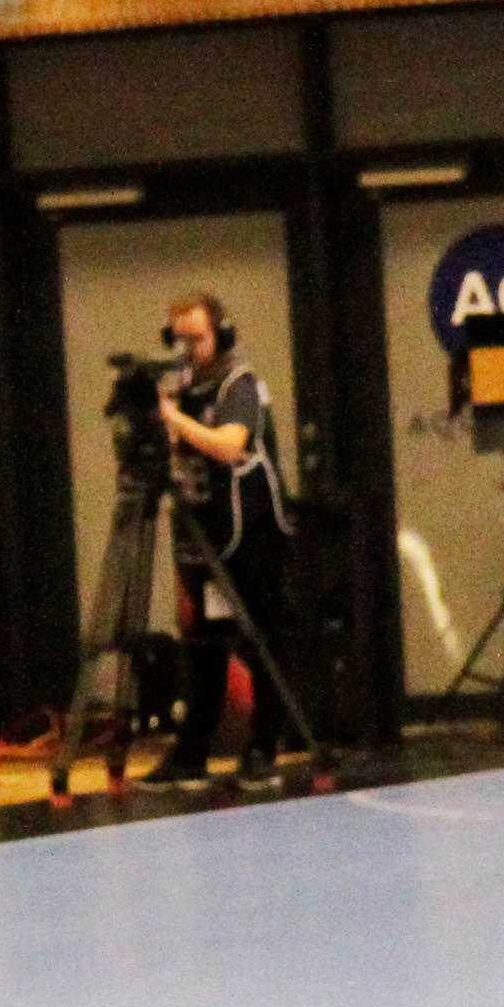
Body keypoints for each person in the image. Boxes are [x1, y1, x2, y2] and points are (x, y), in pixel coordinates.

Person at [152, 291, 291, 786]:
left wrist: (175, 420)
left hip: (251, 530)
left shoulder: (239, 382)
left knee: (261, 640)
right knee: (203, 643)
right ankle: (193, 751)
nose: (187, 349)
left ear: (221, 335)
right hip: (203, 527)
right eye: (178, 339)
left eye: (197, 338)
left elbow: (231, 445)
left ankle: (264, 748)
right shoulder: (182, 387)